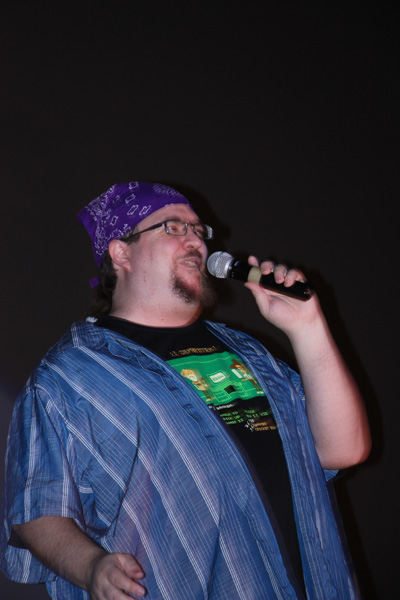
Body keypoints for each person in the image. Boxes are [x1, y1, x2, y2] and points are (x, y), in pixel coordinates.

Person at [0, 181, 371, 600]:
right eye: (174, 228)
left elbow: (344, 449)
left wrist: (308, 326)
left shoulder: (248, 350)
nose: (196, 240)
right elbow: (34, 509)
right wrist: (91, 567)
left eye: (199, 230)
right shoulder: (70, 375)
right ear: (121, 252)